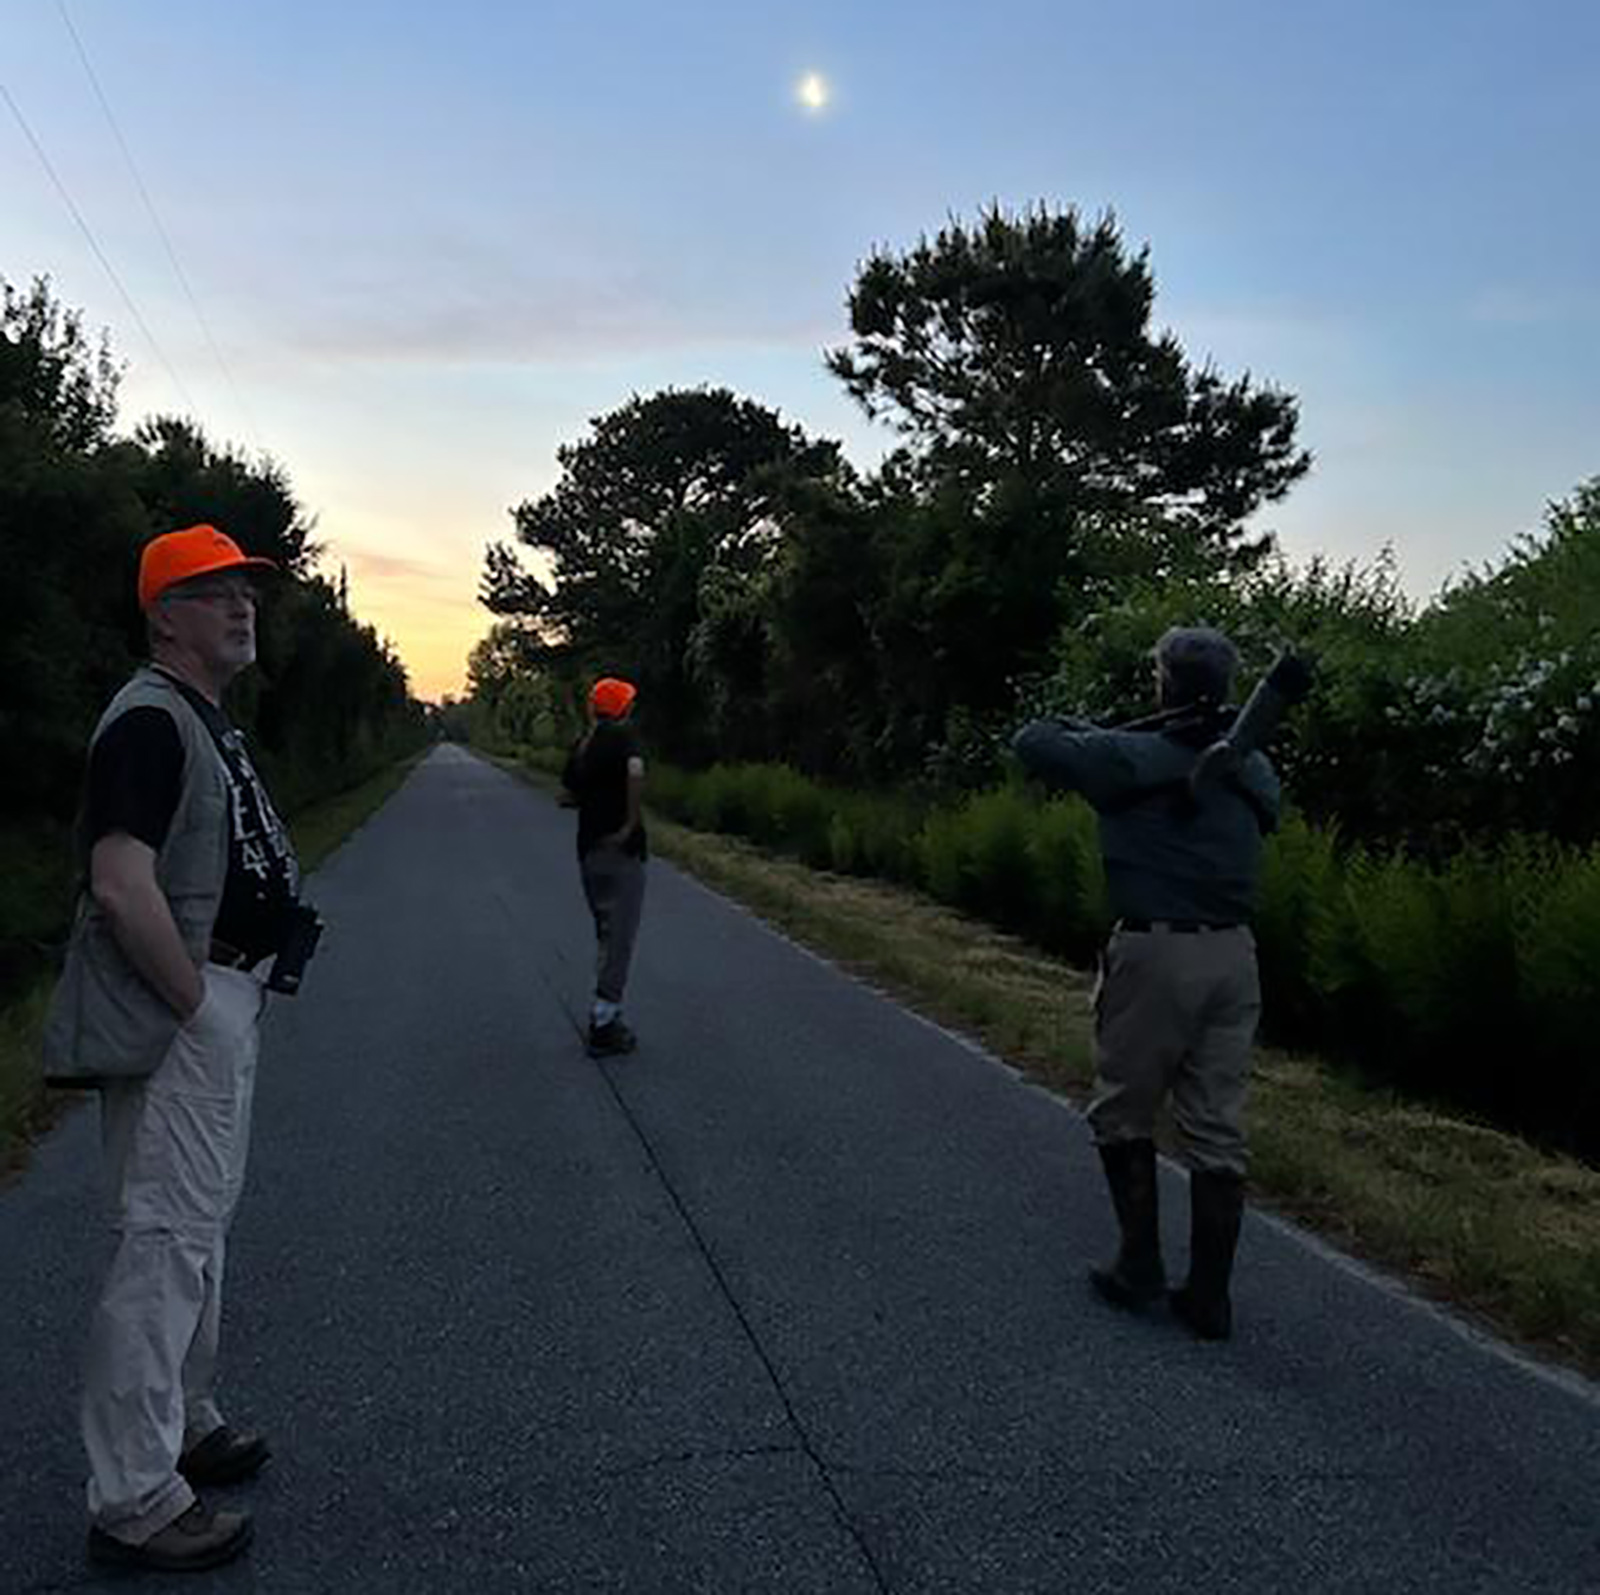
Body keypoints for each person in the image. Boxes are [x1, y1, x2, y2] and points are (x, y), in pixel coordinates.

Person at [43, 524, 300, 1571]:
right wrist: (195, 1000)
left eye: (245, 588)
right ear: (163, 614)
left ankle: (186, 1423)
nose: (240, 604)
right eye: (211, 590)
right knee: (161, 1239)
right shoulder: (150, 720)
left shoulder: (200, 719)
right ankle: (137, 1495)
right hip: (185, 1007)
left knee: (199, 1227)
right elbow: (119, 876)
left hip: (223, 994)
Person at [1012, 626, 1282, 1341]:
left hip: (1155, 954)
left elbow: (1031, 742)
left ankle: (1139, 1264)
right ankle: (1209, 1296)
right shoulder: (1256, 769)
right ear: (1226, 689)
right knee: (1217, 1128)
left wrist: (1093, 728)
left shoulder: (1126, 758)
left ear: (1164, 683)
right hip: (1235, 957)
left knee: (1124, 1112)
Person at [560, 677, 648, 1058]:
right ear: (623, 707)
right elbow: (635, 771)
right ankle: (604, 1021)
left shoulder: (583, 745)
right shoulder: (623, 737)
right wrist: (628, 823)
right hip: (621, 851)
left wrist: (590, 801)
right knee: (620, 937)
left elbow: (566, 794)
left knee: (605, 931)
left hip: (588, 851)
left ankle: (606, 1013)